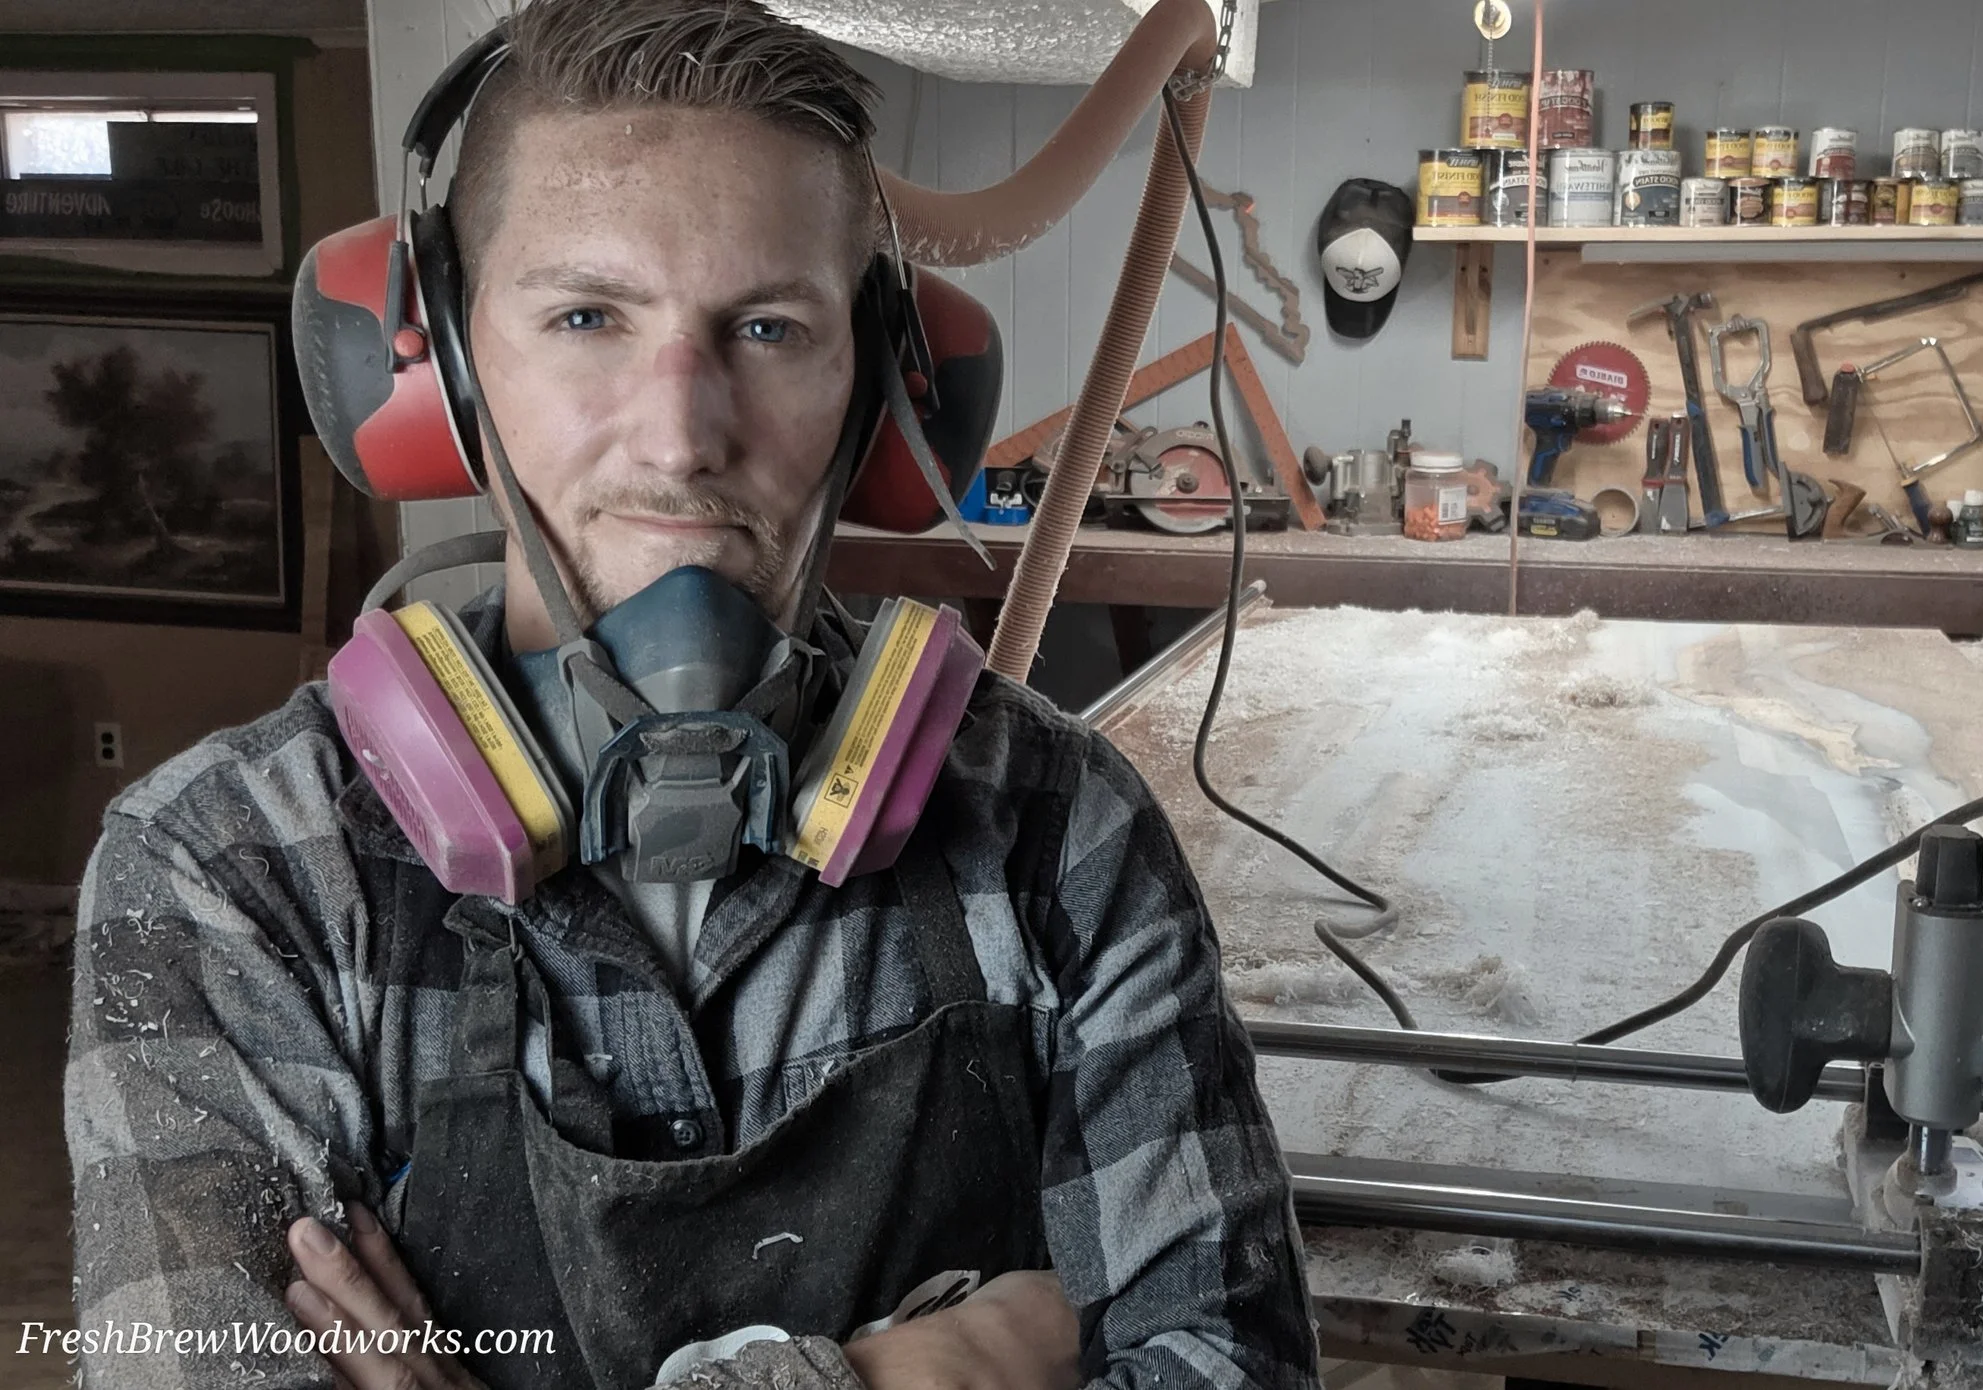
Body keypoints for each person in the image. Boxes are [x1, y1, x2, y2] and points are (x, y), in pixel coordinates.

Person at [63, 2, 1318, 1386]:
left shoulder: (1056, 827)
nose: (679, 437)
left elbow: (1233, 1363)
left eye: (768, 327)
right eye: (587, 317)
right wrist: (938, 1364)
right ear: (436, 366)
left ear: (888, 388)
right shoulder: (232, 869)